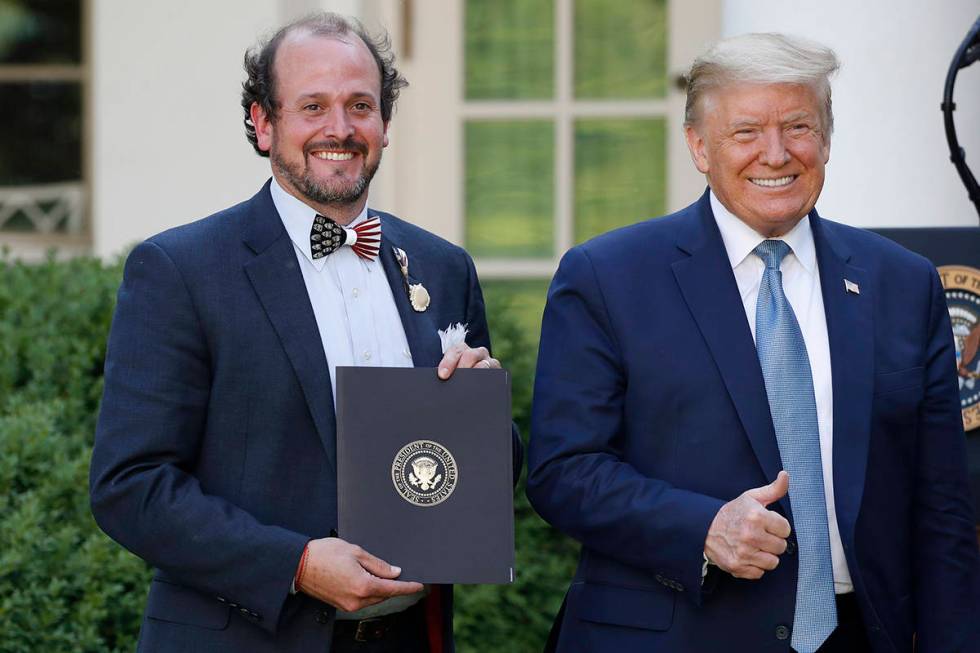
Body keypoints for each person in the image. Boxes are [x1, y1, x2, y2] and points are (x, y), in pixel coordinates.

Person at [526, 32, 979, 653]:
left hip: (862, 635)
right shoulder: (607, 276)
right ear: (698, 146)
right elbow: (563, 472)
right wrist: (702, 527)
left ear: (825, 138)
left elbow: (943, 504)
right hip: (676, 634)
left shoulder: (902, 282)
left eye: (798, 126)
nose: (776, 153)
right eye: (745, 132)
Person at [90, 13, 519, 653]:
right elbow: (131, 486)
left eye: (360, 106)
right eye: (312, 106)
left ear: (384, 124)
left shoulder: (443, 266)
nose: (339, 129)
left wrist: (480, 421)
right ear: (264, 124)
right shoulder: (180, 270)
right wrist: (294, 564)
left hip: (407, 640)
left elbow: (477, 478)